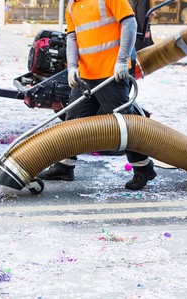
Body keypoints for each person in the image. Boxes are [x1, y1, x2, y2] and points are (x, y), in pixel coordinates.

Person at [38, 0, 156, 191]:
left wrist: (122, 60)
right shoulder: (72, 6)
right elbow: (72, 37)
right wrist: (72, 67)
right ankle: (64, 167)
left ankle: (144, 168)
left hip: (111, 74)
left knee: (124, 124)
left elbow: (130, 23)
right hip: (85, 75)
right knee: (73, 121)